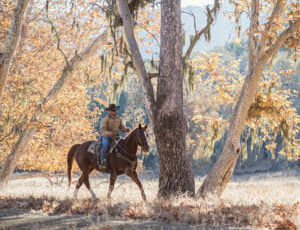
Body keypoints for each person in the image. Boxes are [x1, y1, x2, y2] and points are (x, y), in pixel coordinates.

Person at [98, 104, 130, 169]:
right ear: (109, 111)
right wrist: (110, 133)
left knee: (123, 145)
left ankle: (121, 162)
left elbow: (121, 127)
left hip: (116, 137)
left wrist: (126, 129)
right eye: (113, 110)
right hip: (106, 136)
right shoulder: (105, 119)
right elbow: (102, 130)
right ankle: (102, 161)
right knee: (105, 145)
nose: (114, 111)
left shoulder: (119, 119)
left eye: (115, 110)